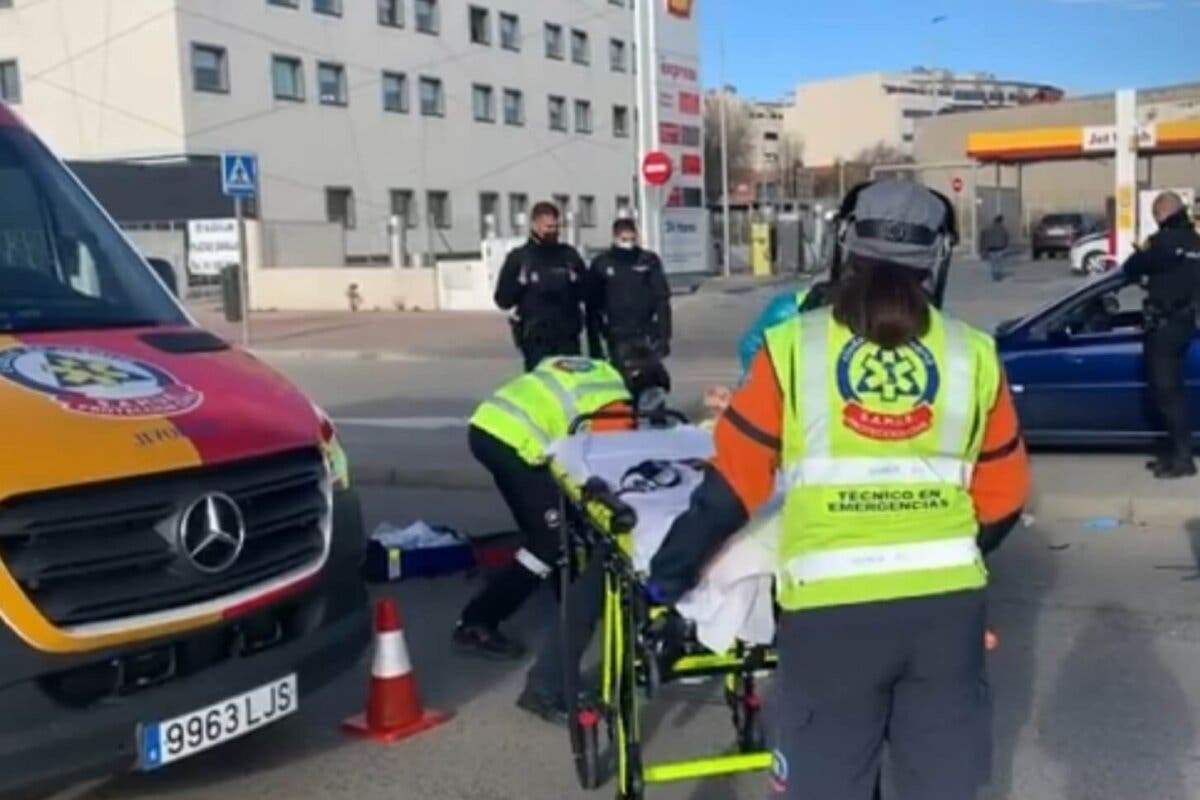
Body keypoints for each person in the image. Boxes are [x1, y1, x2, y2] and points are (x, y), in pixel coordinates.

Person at [648, 180, 1031, 800]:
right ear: (937, 259)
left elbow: (729, 492)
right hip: (944, 614)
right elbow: (1005, 495)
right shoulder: (975, 354)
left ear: (844, 247)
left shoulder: (795, 348)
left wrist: (668, 577)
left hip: (829, 619)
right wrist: (948, 551)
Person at [516, 344, 671, 722]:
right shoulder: (614, 411)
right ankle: (546, 683)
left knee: (601, 579)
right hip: (620, 509)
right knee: (596, 581)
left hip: (630, 504)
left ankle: (550, 679)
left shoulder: (605, 393)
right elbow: (617, 466)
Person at [452, 355, 634, 659]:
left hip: (489, 424)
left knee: (553, 518)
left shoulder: (603, 374)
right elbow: (592, 464)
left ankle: (568, 594)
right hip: (513, 442)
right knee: (549, 543)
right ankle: (477, 621)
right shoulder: (614, 413)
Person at [1124, 191, 1200, 479]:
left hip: (1165, 328)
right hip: (1187, 324)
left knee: (1167, 395)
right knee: (1174, 394)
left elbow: (1131, 268)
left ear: (1160, 215)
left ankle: (1183, 460)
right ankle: (1174, 454)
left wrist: (1143, 252)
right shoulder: (1195, 242)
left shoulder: (1163, 243)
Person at [495, 202, 590, 371]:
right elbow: (502, 299)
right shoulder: (520, 258)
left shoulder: (569, 256)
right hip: (535, 337)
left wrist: (578, 283)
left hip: (567, 337)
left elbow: (589, 294)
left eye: (555, 226)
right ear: (534, 225)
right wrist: (519, 284)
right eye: (548, 227)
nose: (552, 231)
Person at [586, 218, 673, 368]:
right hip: (616, 334)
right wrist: (595, 343)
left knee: (649, 377)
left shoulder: (648, 260)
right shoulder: (602, 263)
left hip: (645, 332)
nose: (629, 244)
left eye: (632, 239)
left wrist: (664, 336)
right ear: (615, 238)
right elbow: (592, 306)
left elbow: (661, 299)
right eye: (624, 239)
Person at [981, 215, 1010, 282]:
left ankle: (994, 275)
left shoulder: (988, 228)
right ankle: (999, 276)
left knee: (993, 263)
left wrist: (984, 248)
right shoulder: (1003, 229)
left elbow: (984, 238)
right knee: (999, 262)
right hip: (1000, 248)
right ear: (1001, 221)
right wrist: (1005, 245)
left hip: (991, 248)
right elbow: (1006, 237)